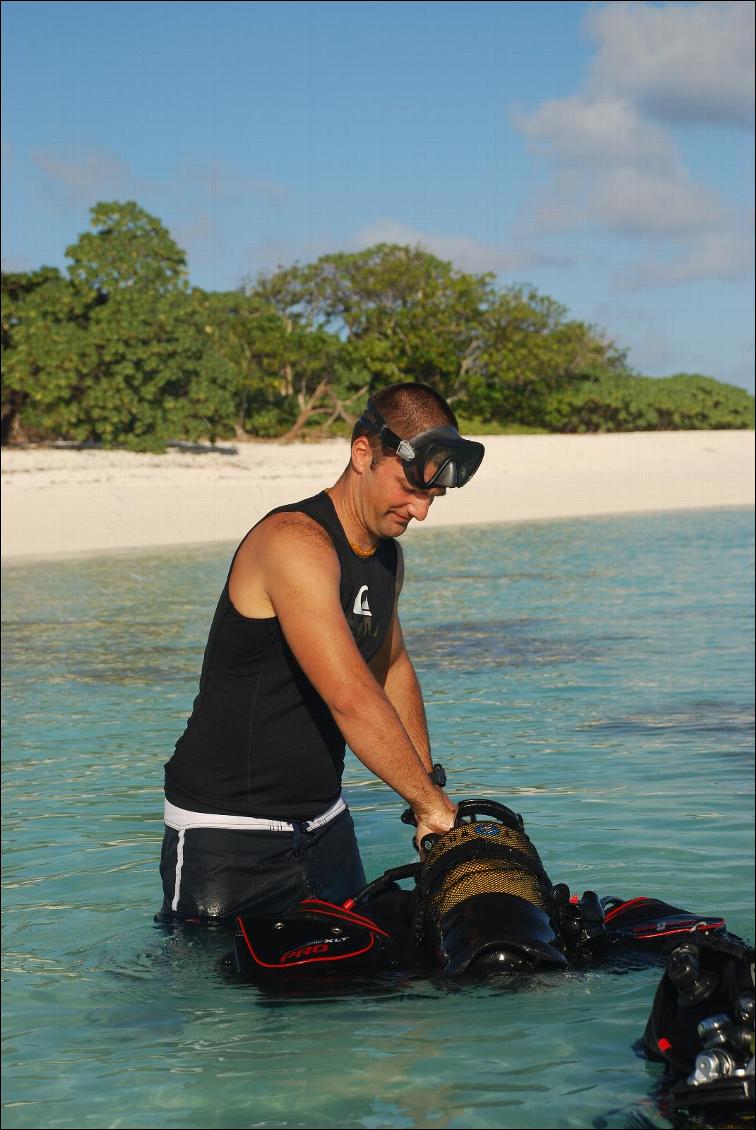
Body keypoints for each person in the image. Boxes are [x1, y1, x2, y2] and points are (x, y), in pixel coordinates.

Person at [159, 382, 485, 921]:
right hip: (227, 832)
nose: (421, 511)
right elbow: (351, 696)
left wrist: (424, 796)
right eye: (411, 488)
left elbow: (391, 669)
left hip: (325, 824)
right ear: (363, 453)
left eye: (433, 497)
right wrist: (433, 808)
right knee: (213, 997)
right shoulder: (294, 542)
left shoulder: (387, 559)